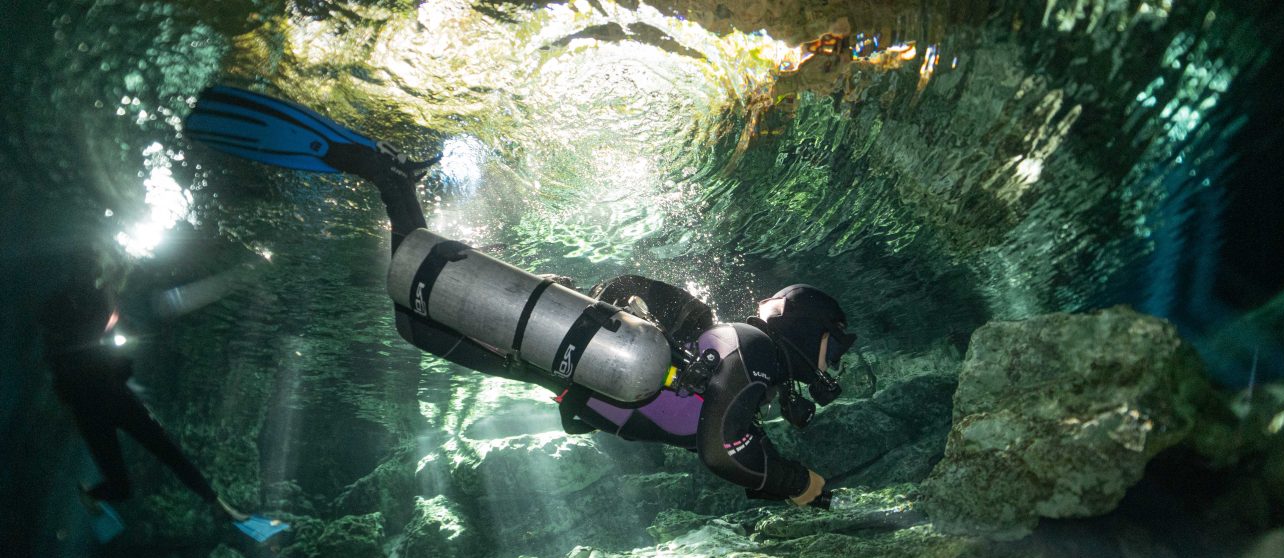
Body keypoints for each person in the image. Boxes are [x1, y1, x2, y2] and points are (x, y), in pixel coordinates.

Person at [186, 86, 861, 508]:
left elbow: (693, 411)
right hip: (547, 359)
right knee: (415, 310)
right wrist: (802, 485)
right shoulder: (755, 351)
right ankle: (391, 179)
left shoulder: (739, 352)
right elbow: (723, 452)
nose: (831, 366)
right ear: (805, 327)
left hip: (546, 366)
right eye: (834, 348)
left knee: (413, 324)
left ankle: (393, 184)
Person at [37, 249, 285, 538]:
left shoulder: (99, 301)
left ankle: (220, 505)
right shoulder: (81, 305)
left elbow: (109, 336)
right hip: (91, 404)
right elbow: (82, 335)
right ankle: (91, 495)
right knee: (123, 486)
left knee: (167, 451)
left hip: (110, 395)